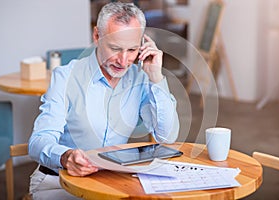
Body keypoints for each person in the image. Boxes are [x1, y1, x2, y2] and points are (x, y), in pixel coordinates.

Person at [28, 2, 179, 199]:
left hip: (110, 185)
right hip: (58, 182)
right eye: (115, 48)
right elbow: (38, 142)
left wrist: (156, 77)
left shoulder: (141, 78)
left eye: (132, 50)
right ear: (97, 36)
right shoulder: (65, 77)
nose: (123, 61)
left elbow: (167, 138)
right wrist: (65, 157)